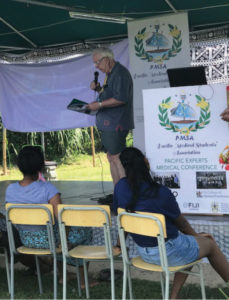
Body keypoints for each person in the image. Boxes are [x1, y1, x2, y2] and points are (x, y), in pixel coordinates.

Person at [113, 147, 229, 299]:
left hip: (143, 252)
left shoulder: (120, 188)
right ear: (146, 163)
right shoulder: (160, 192)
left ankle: (173, 296)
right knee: (208, 244)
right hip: (168, 251)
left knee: (191, 246)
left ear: (125, 167)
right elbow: (182, 224)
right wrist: (196, 236)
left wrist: (119, 245)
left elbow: (124, 219)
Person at [5, 146, 96, 287]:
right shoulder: (48, 189)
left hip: (26, 240)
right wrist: (65, 241)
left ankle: (63, 275)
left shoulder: (10, 190)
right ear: (41, 167)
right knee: (84, 230)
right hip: (50, 242)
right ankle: (83, 280)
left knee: (57, 233)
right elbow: (63, 219)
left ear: (19, 166)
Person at [87, 47, 134, 185]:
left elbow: (120, 98)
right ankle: (119, 190)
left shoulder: (119, 74)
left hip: (116, 123)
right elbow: (110, 94)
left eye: (98, 62)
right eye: (95, 63)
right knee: (112, 156)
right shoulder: (112, 73)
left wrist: (99, 105)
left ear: (107, 59)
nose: (96, 66)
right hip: (110, 123)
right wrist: (98, 89)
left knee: (116, 157)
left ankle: (124, 192)